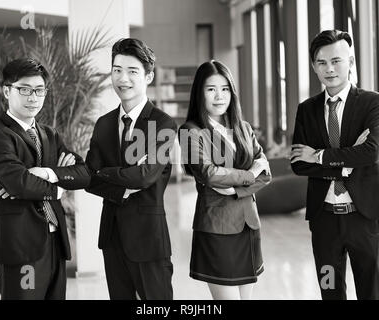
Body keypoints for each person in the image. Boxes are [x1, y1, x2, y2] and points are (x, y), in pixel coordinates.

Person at [0, 58, 91, 300]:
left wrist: (48, 173)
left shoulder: (49, 134)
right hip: (21, 246)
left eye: (39, 91)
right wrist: (60, 189)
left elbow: (84, 174)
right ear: (7, 91)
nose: (33, 97)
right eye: (25, 90)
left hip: (55, 242)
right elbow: (19, 182)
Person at [85, 38, 177, 300]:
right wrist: (119, 185)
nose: (122, 78)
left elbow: (145, 175)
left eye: (132, 71)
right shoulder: (103, 124)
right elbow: (90, 179)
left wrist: (104, 173)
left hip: (148, 240)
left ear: (148, 76)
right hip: (112, 238)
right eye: (117, 70)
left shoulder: (162, 123)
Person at [290, 30, 379, 300]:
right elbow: (298, 164)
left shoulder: (372, 103)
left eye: (336, 61)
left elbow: (371, 152)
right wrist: (349, 159)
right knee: (330, 290)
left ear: (350, 62)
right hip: (324, 220)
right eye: (322, 62)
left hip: (363, 217)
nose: (329, 69)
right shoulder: (307, 109)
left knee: (370, 291)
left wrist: (319, 156)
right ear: (314, 66)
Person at [179, 60, 271, 300]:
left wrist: (234, 188)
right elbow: (208, 173)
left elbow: (266, 172)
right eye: (211, 89)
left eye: (225, 88)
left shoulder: (244, 128)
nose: (219, 96)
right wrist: (249, 174)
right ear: (199, 92)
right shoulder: (190, 131)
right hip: (217, 227)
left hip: (248, 225)